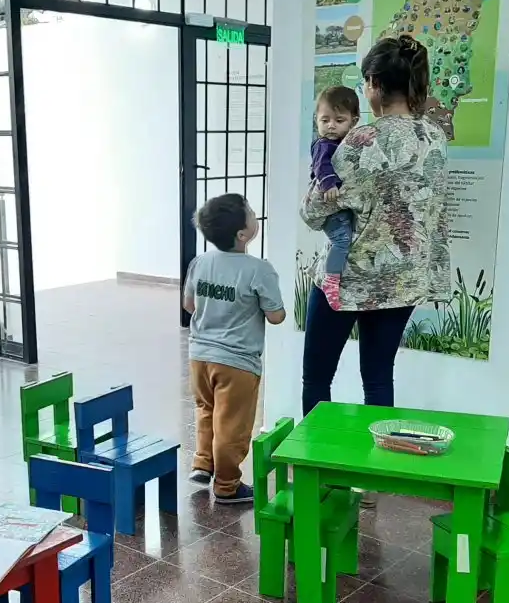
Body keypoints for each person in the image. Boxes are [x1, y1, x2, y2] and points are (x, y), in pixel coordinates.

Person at [299, 34, 451, 416]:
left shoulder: (361, 139)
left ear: (377, 86)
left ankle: (321, 471)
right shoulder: (434, 135)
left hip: (350, 277)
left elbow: (314, 210)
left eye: (366, 83)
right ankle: (380, 471)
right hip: (404, 279)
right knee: (379, 377)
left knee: (317, 378)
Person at [183, 193, 285, 504]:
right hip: (237, 363)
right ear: (243, 234)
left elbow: (189, 305)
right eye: (252, 213)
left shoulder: (200, 262)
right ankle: (227, 486)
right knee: (232, 425)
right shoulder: (259, 269)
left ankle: (203, 463)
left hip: (199, 356)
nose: (256, 215)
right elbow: (276, 316)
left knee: (206, 411)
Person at [310, 85, 362, 310]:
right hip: (333, 206)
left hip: (341, 208)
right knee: (341, 241)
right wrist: (329, 184)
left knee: (342, 239)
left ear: (354, 120)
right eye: (325, 120)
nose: (331, 125)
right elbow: (321, 166)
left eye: (339, 120)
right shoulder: (325, 145)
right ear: (316, 120)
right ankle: (332, 280)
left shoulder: (343, 144)